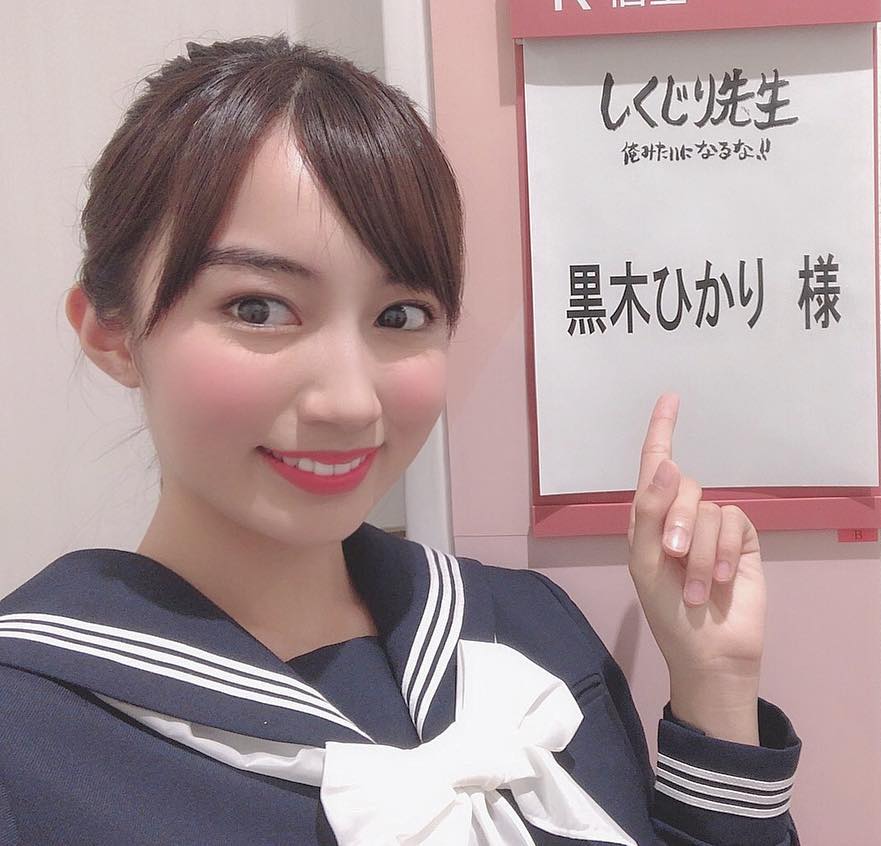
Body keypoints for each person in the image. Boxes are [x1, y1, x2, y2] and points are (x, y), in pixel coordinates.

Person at [0, 35, 801, 845]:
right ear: (111, 333)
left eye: (400, 315)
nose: (351, 402)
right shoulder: (26, 732)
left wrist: (716, 688)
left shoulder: (527, 628)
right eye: (258, 307)